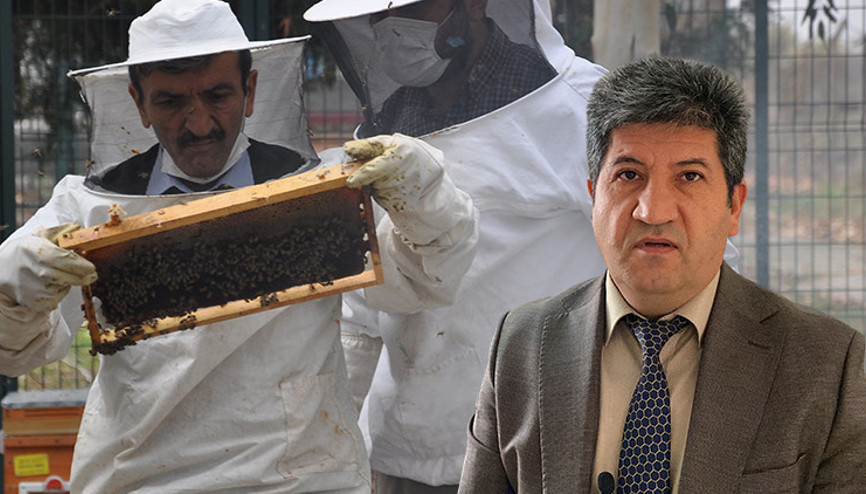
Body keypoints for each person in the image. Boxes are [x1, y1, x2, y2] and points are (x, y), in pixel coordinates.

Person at [0, 1, 478, 493]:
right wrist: (14, 290)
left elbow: (426, 279)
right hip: (144, 476)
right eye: (170, 102)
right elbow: (13, 354)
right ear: (138, 103)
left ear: (250, 92)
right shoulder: (87, 207)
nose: (200, 123)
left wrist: (422, 196)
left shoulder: (320, 188)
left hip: (298, 476)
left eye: (218, 95)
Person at [458, 56, 866, 493]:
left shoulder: (828, 364)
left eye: (689, 176)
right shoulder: (521, 343)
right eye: (629, 175)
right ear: (594, 195)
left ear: (734, 205)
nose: (653, 211)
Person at [303, 0, 610, 492]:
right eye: (378, 17)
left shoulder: (582, 107)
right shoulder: (385, 129)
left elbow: (680, 265)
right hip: (410, 451)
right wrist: (325, 456)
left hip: (549, 446)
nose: (390, 29)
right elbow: (360, 308)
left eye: (412, 9)